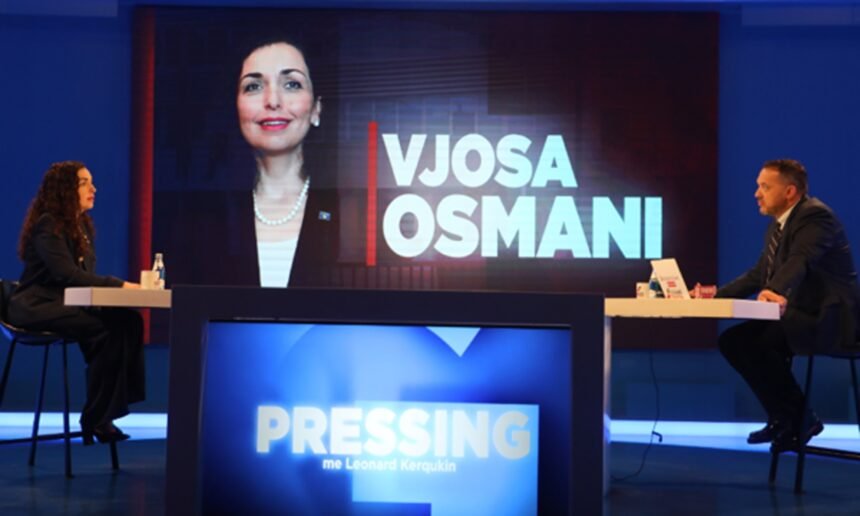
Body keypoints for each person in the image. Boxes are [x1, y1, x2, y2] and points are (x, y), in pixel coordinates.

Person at [159, 39, 338, 287]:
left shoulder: (344, 207)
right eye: (253, 86)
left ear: (317, 108)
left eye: (291, 84)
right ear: (235, 106)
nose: (272, 101)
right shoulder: (201, 214)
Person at [716, 158, 860, 448]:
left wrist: (775, 289)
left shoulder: (815, 217)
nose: (757, 193)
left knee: (751, 343)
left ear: (790, 191)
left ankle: (795, 418)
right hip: (801, 315)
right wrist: (714, 297)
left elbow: (800, 260)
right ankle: (790, 417)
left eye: (765, 187)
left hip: (830, 319)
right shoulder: (778, 227)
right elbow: (758, 274)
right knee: (734, 341)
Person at [8, 161, 146, 445]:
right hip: (36, 306)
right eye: (84, 183)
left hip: (67, 305)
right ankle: (97, 417)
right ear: (65, 189)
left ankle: (107, 411)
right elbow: (67, 275)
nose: (93, 189)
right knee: (104, 329)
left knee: (129, 321)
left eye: (91, 182)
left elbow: (82, 278)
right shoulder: (48, 224)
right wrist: (120, 285)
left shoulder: (81, 226)